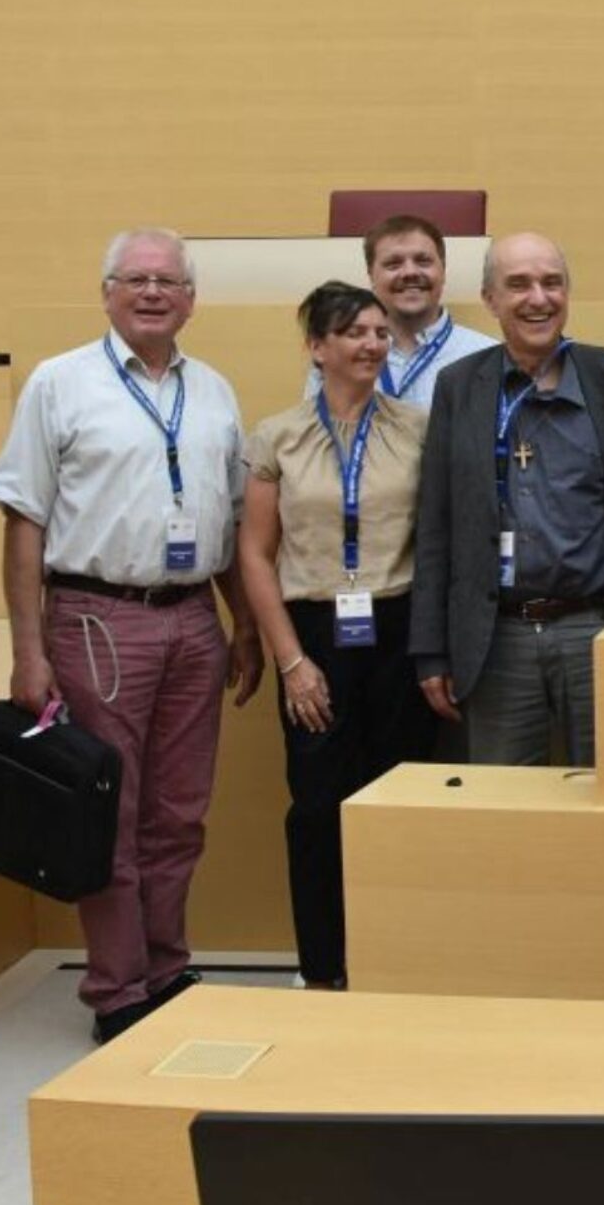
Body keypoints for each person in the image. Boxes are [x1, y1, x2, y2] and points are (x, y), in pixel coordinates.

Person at [0, 227, 263, 1044]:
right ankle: (117, 990)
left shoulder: (213, 389)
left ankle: (167, 968)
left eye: (168, 281)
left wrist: (241, 624)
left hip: (192, 619)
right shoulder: (59, 383)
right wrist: (28, 649)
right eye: (134, 279)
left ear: (190, 299)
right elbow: (23, 519)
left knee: (179, 813)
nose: (152, 293)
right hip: (97, 618)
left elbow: (226, 516)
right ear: (106, 291)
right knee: (111, 811)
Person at [409, 232, 604, 764]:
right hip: (497, 639)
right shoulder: (459, 387)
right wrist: (430, 648)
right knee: (505, 810)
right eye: (518, 284)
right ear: (490, 299)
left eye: (552, 283)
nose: (538, 298)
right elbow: (437, 522)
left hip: (600, 627)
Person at [240, 282, 438, 991]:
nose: (371, 344)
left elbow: (436, 543)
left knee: (401, 805)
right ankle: (322, 968)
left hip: (397, 629)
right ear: (316, 346)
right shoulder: (278, 436)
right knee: (320, 808)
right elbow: (255, 555)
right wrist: (290, 660)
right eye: (353, 331)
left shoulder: (417, 428)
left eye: (381, 332)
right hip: (315, 634)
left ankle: (399, 962)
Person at [302, 213, 496, 409]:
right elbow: (315, 433)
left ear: (443, 271)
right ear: (371, 275)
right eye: (393, 264)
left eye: (423, 261)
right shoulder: (337, 357)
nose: (410, 272)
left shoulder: (488, 357)